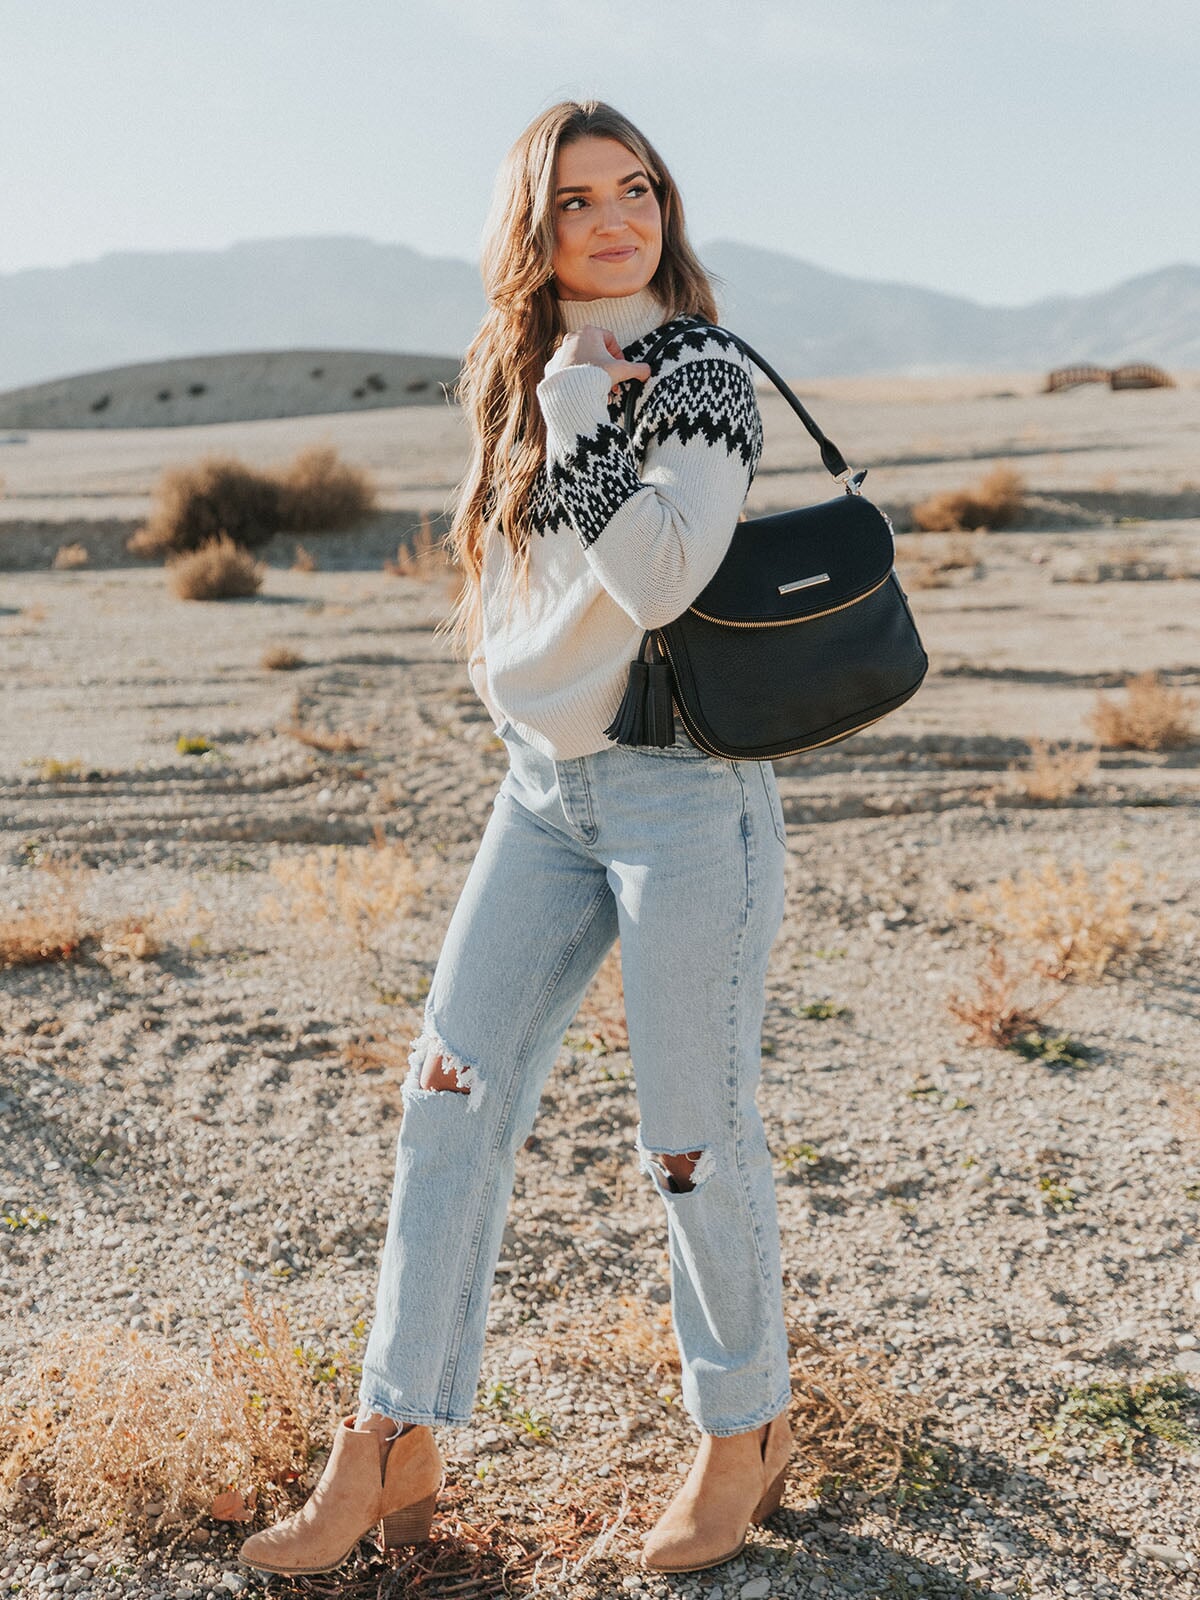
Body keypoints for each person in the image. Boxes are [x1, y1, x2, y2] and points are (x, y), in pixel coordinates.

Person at [240, 97, 793, 1580]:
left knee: (689, 1141)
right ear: (531, 231)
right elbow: (521, 591)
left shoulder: (699, 373)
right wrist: (551, 405)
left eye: (637, 190)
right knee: (448, 1094)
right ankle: (390, 1436)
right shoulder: (524, 370)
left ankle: (743, 1429)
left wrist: (586, 420)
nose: (616, 222)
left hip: (684, 798)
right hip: (543, 795)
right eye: (576, 202)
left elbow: (663, 581)